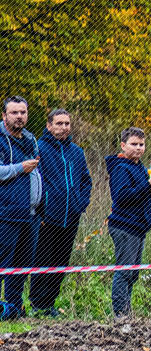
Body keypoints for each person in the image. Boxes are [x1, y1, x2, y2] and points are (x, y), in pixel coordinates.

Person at [29, 108, 92, 317]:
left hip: (70, 217)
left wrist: (80, 204)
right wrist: (40, 209)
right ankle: (38, 305)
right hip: (46, 218)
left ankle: (50, 303)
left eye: (67, 123)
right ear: (49, 126)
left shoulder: (77, 152)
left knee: (61, 262)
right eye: (59, 123)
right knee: (43, 261)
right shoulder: (39, 148)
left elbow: (86, 181)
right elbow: (34, 181)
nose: (64, 127)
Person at [106, 127, 151, 318]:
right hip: (125, 226)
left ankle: (127, 311)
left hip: (138, 227)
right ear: (123, 145)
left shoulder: (140, 167)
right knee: (125, 271)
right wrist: (146, 186)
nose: (138, 148)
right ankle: (120, 314)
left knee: (133, 273)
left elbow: (142, 196)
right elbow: (121, 197)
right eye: (134, 144)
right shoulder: (121, 168)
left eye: (141, 144)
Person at [0, 96, 41, 320]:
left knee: (22, 266)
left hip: (31, 214)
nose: (19, 116)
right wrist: (19, 168)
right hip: (6, 213)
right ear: (4, 115)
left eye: (23, 112)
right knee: (2, 263)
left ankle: (14, 309)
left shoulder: (30, 139)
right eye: (14, 112)